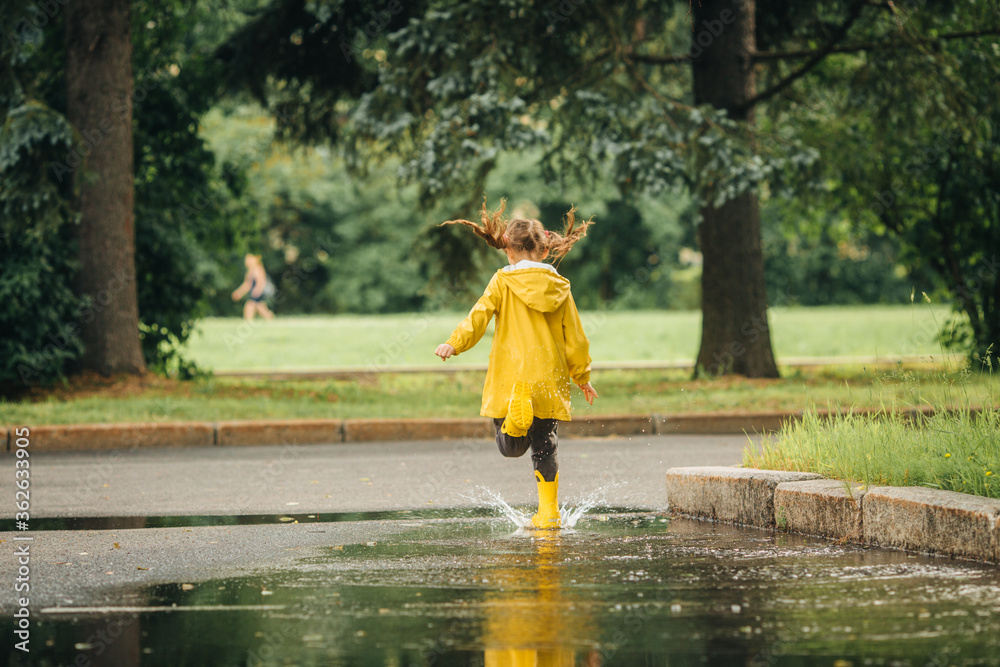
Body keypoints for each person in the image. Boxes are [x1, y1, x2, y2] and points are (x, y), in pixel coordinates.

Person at [434, 199, 598, 529]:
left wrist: (455, 342)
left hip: (512, 379)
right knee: (545, 446)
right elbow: (576, 338)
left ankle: (512, 426)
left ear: (508, 248)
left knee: (511, 447)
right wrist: (581, 376)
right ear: (543, 249)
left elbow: (478, 317)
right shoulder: (560, 287)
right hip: (548, 381)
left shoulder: (502, 281)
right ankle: (549, 514)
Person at [231, 253, 275, 321]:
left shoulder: (258, 268)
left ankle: (248, 321)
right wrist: (239, 293)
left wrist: (257, 290)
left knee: (250, 306)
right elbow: (247, 284)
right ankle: (270, 318)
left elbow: (261, 281)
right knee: (260, 307)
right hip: (255, 291)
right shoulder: (250, 271)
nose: (246, 261)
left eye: (248, 259)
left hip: (258, 291)